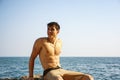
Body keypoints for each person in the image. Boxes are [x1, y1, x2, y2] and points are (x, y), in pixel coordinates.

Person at [28, 22, 94, 80]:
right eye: (48, 29)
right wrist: (31, 76)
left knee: (88, 77)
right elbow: (32, 58)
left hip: (61, 69)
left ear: (58, 31)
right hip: (49, 72)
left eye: (52, 29)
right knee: (58, 79)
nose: (49, 31)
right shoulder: (41, 41)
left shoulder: (59, 42)